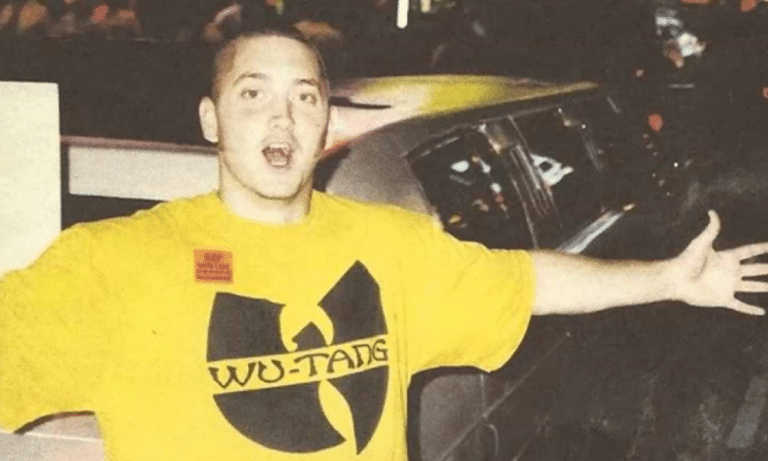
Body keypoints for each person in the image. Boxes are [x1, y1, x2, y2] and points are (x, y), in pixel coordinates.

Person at [2, 26, 768, 461]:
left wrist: (669, 278)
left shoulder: (387, 244)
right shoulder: (115, 262)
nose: (282, 118)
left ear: (326, 126)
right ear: (211, 119)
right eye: (253, 94)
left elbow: (526, 280)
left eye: (305, 97)